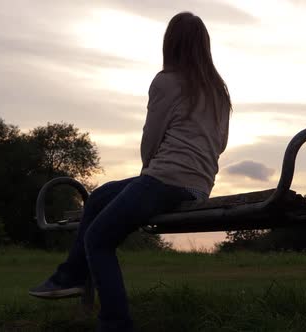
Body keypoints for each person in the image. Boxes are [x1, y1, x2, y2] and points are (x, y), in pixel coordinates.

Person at [28, 11, 231, 332]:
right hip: (197, 185)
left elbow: (151, 140)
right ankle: (68, 277)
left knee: (98, 239)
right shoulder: (219, 92)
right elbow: (220, 144)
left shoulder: (167, 81)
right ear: (204, 46)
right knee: (98, 198)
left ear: (171, 45)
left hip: (164, 179)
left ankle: (115, 323)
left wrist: (147, 174)